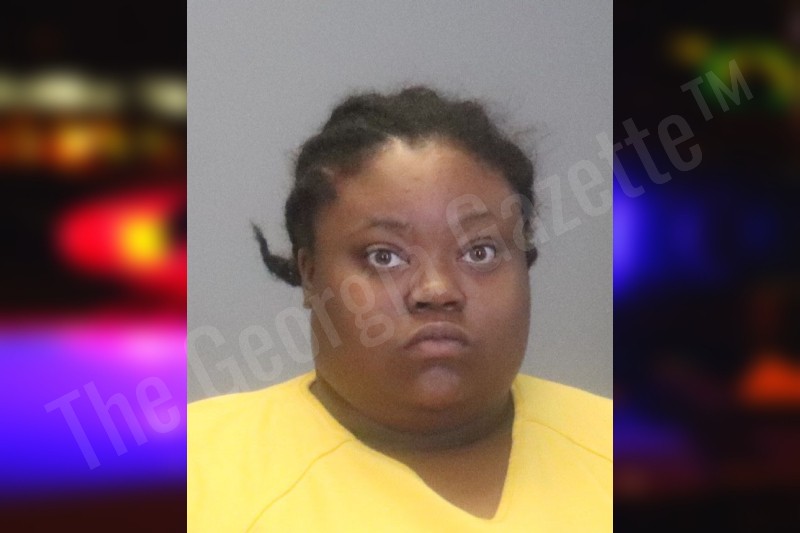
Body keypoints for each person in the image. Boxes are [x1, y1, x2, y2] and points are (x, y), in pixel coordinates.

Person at [187, 86, 612, 531]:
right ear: (310, 274)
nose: (437, 290)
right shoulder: (192, 475)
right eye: (384, 256)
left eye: (480, 252)